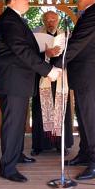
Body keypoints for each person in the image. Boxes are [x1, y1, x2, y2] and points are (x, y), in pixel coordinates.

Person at [0, 0, 61, 183]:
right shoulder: (10, 20)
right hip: (12, 80)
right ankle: (8, 167)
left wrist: (44, 55)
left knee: (18, 123)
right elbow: (20, 50)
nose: (28, 0)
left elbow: (23, 51)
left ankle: (17, 154)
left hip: (18, 81)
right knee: (13, 124)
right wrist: (47, 69)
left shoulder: (15, 20)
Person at [61, 0, 95, 180]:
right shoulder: (88, 15)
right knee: (83, 116)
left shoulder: (94, 15)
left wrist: (58, 62)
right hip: (82, 76)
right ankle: (85, 153)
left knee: (92, 119)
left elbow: (77, 44)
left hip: (89, 76)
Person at [31, 11, 74, 156]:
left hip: (60, 78)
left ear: (58, 21)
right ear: (43, 21)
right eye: (48, 20)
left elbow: (71, 55)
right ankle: (39, 145)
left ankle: (61, 145)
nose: (51, 23)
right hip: (43, 77)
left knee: (61, 111)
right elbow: (31, 56)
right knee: (40, 112)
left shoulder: (65, 35)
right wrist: (46, 55)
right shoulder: (37, 35)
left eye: (53, 20)